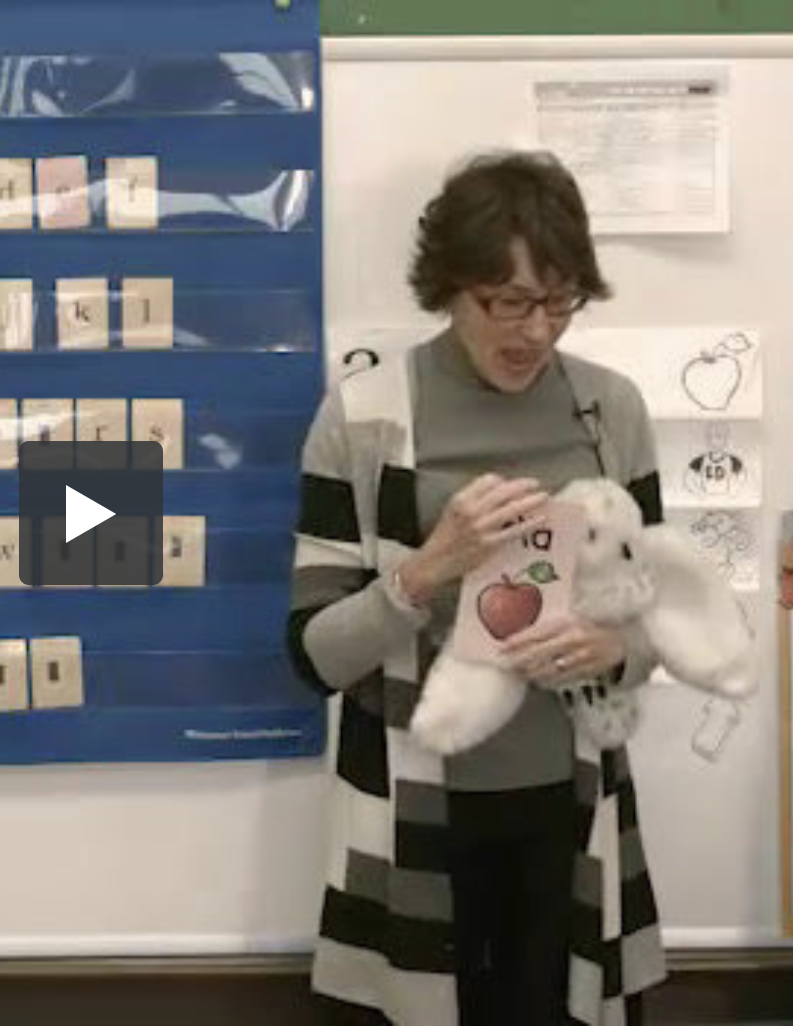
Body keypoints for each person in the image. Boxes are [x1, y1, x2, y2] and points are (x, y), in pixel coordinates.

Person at [286, 150, 668, 1026]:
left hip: (571, 805)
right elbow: (312, 656)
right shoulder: (363, 417)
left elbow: (659, 622)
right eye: (509, 303)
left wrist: (618, 647)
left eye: (560, 301)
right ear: (451, 287)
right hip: (410, 808)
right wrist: (430, 566)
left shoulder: (610, 412)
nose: (536, 331)